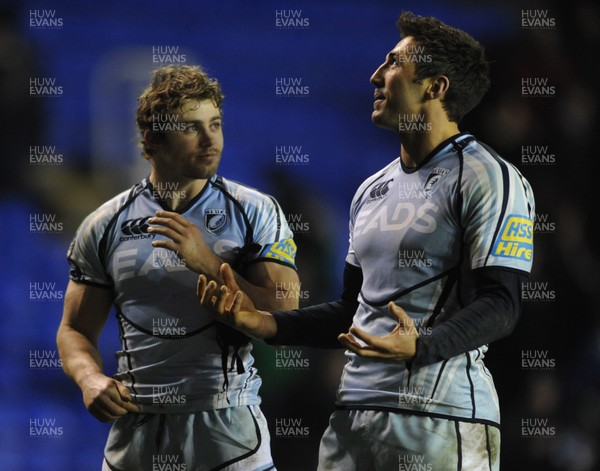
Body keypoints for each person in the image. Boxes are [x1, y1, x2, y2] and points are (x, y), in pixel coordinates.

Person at [198, 11, 535, 471]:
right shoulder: (371, 190)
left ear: (435, 88)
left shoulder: (487, 177)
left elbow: (502, 304)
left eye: (394, 64)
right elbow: (350, 310)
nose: (376, 75)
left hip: (439, 419)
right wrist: (265, 324)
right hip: (351, 421)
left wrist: (421, 344)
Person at [56, 64, 299, 471]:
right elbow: (75, 329)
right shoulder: (103, 224)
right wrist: (89, 379)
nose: (211, 140)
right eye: (191, 128)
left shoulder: (255, 210)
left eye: (216, 124)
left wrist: (207, 261)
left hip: (227, 429)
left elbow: (286, 314)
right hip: (135, 430)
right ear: (153, 139)